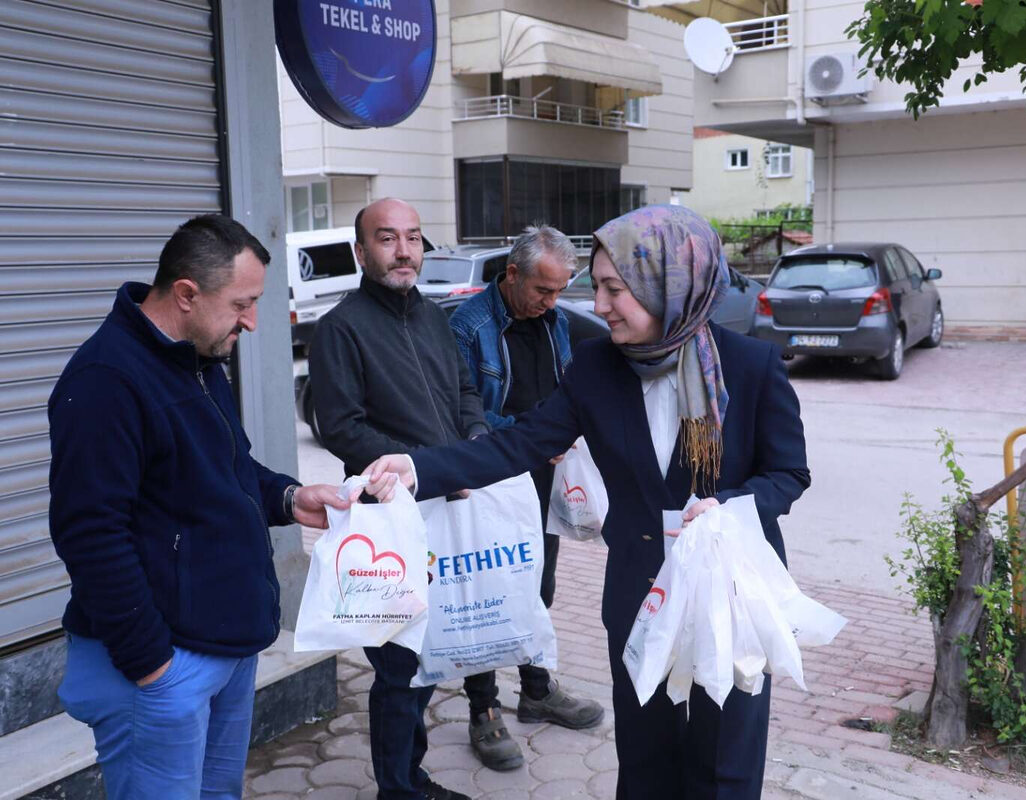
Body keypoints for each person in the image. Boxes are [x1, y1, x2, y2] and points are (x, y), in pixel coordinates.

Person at [362, 205, 810, 799]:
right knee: (646, 753)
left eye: (613, 289)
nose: (597, 305)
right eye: (594, 287)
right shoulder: (597, 366)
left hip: (729, 589)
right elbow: (519, 443)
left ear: (669, 286)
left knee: (725, 753)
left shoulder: (749, 367)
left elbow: (788, 473)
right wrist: (419, 467)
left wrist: (729, 506)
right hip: (639, 589)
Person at [48, 214, 349, 800]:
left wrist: (290, 497)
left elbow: (227, 473)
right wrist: (154, 669)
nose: (253, 321)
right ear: (187, 294)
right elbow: (88, 534)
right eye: (243, 303)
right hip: (161, 668)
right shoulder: (105, 380)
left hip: (224, 648)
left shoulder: (199, 360)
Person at [308, 198, 485, 800]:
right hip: (385, 525)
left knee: (427, 657)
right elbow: (341, 427)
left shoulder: (434, 318)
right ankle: (399, 789)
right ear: (362, 252)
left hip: (447, 510)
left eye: (413, 237)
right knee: (396, 666)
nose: (404, 250)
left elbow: (465, 391)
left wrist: (476, 445)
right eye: (387, 238)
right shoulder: (341, 327)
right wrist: (431, 469)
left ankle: (412, 776)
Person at [446, 225, 604, 770]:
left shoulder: (554, 320)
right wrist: (532, 435)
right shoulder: (467, 326)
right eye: (543, 289)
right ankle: (482, 710)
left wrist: (568, 429)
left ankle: (535, 690)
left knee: (537, 585)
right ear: (512, 274)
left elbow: (564, 389)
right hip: (493, 477)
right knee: (489, 590)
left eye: (560, 290)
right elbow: (462, 410)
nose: (551, 301)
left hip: (544, 477)